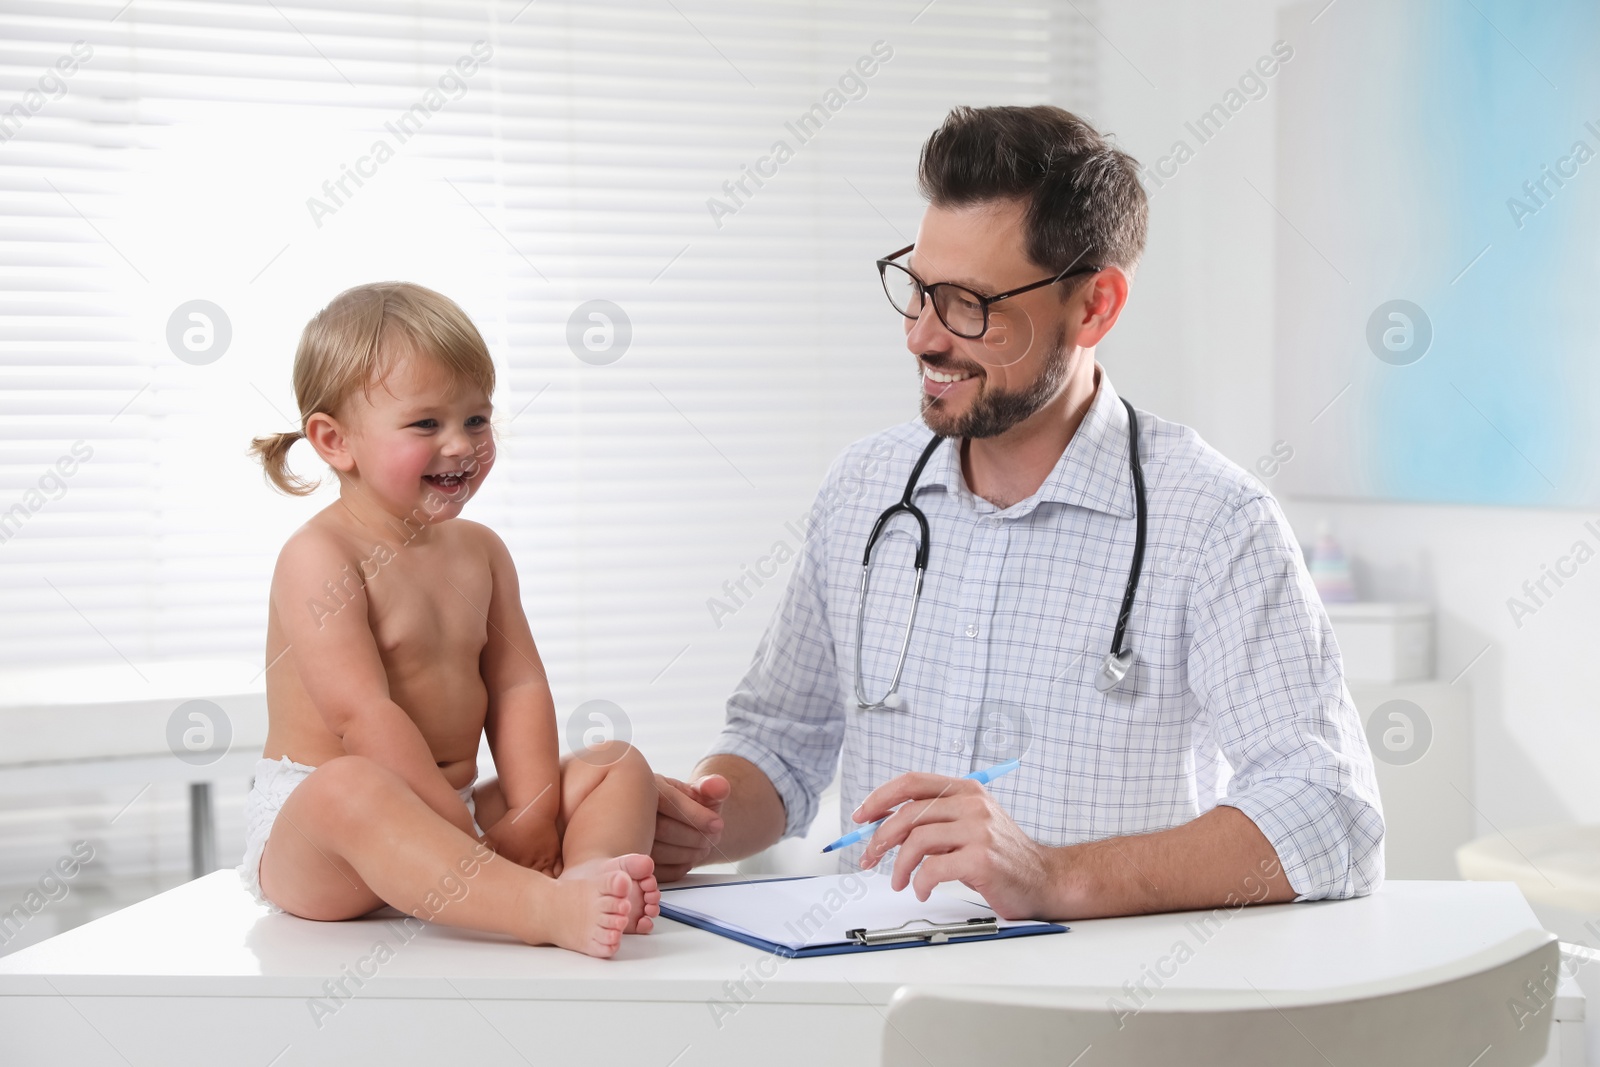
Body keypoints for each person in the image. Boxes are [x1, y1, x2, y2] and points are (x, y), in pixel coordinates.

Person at [652, 106, 1384, 921]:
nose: (922, 338)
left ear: (1096, 306)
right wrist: (684, 825)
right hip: (874, 1003)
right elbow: (780, 744)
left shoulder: (1215, 522)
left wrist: (1052, 875)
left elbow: (1330, 813)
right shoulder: (864, 488)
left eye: (969, 303)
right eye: (919, 290)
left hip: (1105, 1020)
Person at [243, 281, 659, 957]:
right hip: (326, 836)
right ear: (334, 439)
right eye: (426, 424)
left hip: (453, 809)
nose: (462, 445)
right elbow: (362, 716)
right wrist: (460, 839)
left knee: (617, 763)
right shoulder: (318, 556)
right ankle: (536, 905)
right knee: (349, 786)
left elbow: (519, 687)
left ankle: (585, 873)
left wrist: (531, 814)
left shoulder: (481, 552)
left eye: (476, 419)